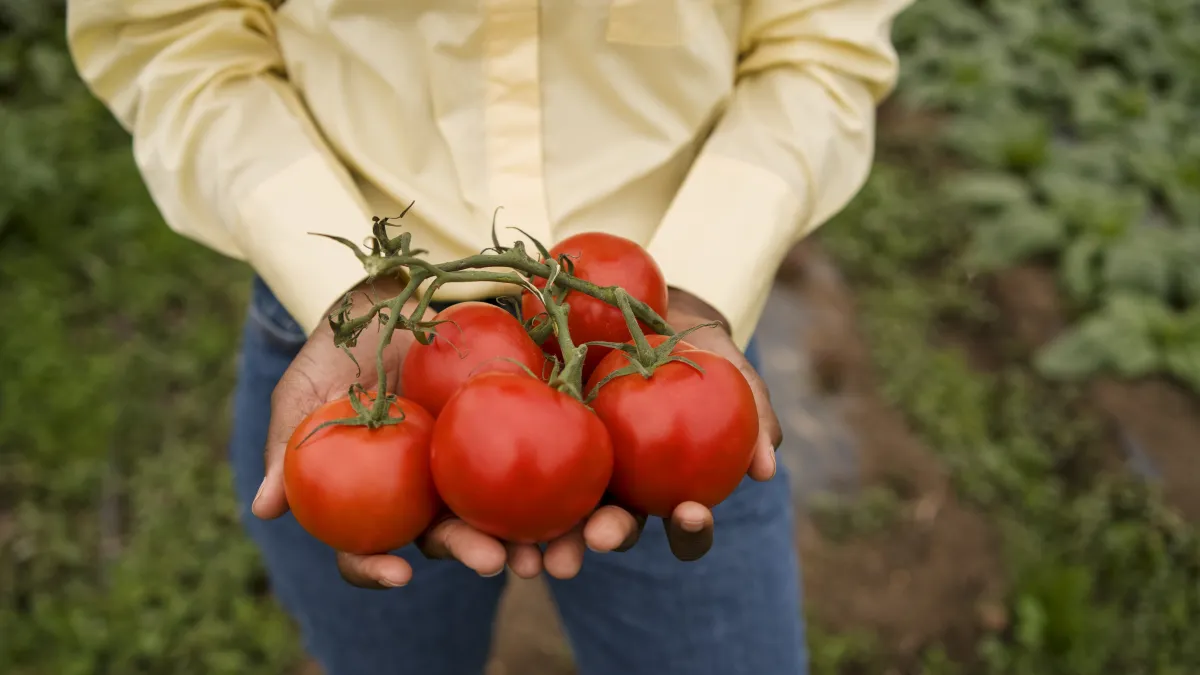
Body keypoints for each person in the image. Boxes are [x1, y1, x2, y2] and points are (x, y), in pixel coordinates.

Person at [68, 1, 909, 673]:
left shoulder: (666, 347)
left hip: (663, 340)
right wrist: (354, 286)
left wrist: (695, 285)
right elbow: (172, 30)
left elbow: (820, 39)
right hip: (362, 360)